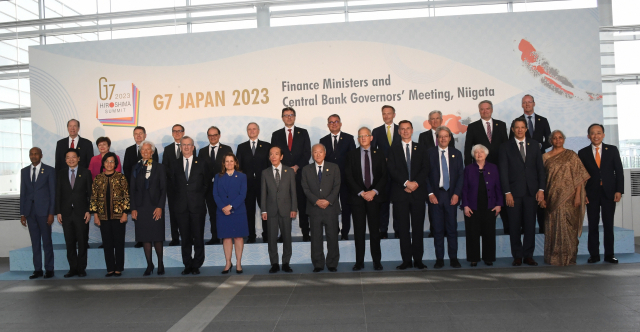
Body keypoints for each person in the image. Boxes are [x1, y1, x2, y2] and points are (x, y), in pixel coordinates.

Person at [499, 119, 546, 267]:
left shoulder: (534, 145)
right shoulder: (505, 147)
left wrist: (541, 189)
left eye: (522, 127)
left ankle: (528, 256)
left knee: (530, 225)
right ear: (512, 129)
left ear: (526, 129)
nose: (520, 130)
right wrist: (507, 192)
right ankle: (517, 256)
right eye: (517, 128)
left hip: (532, 193)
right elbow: (503, 172)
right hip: (513, 193)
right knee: (514, 225)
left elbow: (540, 169)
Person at [541, 130, 590, 266]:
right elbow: (542, 179)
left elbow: (580, 177)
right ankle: (554, 257)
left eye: (560, 137)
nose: (557, 140)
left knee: (569, 227)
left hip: (570, 198)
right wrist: (543, 197)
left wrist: (578, 196)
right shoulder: (545, 157)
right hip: (552, 198)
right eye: (555, 138)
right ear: (551, 140)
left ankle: (569, 257)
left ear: (564, 139)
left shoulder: (571, 155)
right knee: (553, 227)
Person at [578, 124, 624, 264]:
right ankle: (594, 255)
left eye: (599, 133)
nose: (596, 135)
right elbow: (581, 176)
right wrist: (583, 194)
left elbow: (619, 172)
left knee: (608, 225)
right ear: (588, 136)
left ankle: (609, 255)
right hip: (591, 194)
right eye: (593, 133)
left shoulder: (612, 150)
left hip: (609, 193)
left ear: (603, 135)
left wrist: (619, 190)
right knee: (593, 225)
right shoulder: (583, 152)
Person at [463, 100, 510, 235]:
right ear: (479, 111)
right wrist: (469, 170)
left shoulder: (501, 125)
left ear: (492, 109)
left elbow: (505, 148)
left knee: (500, 196)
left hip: (499, 170)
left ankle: (507, 229)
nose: (485, 111)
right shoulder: (473, 126)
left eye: (487, 109)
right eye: (482, 109)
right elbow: (467, 149)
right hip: (479, 170)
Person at [387, 120, 429, 270]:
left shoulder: (421, 147)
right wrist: (406, 183)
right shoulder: (393, 149)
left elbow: (425, 168)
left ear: (412, 130)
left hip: (418, 194)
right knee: (403, 229)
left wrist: (415, 183)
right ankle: (406, 260)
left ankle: (418, 259)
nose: (405, 131)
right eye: (402, 129)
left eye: (408, 129)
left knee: (418, 228)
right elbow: (391, 169)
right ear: (398, 132)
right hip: (401, 194)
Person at [345, 127, 387, 271]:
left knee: (375, 232)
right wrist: (361, 192)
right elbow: (348, 176)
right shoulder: (351, 155)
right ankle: (359, 262)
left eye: (366, 135)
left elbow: (384, 176)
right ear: (358, 139)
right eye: (360, 136)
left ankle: (377, 261)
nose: (363, 138)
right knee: (359, 232)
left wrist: (374, 192)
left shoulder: (379, 154)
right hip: (358, 199)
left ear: (371, 137)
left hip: (374, 199)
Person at [170, 136, 212, 275]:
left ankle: (197, 264)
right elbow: (172, 185)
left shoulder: (201, 162)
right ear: (180, 147)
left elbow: (206, 183)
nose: (186, 147)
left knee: (198, 236)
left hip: (197, 206)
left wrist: (198, 195)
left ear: (193, 147)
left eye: (189, 145)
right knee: (185, 237)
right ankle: (187, 264)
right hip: (181, 207)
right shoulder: (174, 164)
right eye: (184, 145)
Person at [510, 95, 551, 234]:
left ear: (534, 103)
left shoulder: (543, 120)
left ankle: (542, 229)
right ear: (522, 105)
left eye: (529, 102)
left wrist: (538, 145)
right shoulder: (517, 122)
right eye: (524, 103)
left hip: (537, 160)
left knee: (538, 200)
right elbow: (512, 145)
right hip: (520, 169)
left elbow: (549, 139)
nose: (527, 104)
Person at [270, 107, 311, 241]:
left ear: (294, 117)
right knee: (284, 205)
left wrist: (297, 166)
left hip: (300, 174)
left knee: (302, 204)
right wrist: (287, 169)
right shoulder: (276, 134)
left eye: (291, 115)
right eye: (286, 115)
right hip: (283, 176)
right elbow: (274, 154)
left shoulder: (303, 133)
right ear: (282, 118)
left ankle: (306, 232)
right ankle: (284, 234)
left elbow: (307, 153)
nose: (289, 117)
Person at [426, 126, 464, 269]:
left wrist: (456, 194)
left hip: (451, 196)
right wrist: (430, 193)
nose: (443, 139)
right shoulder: (429, 153)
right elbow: (425, 176)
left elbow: (461, 175)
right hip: (435, 196)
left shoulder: (457, 153)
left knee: (452, 228)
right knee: (438, 229)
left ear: (450, 137)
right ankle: (439, 259)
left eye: (446, 136)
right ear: (437, 138)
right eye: (440, 136)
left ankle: (453, 258)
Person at [301, 144, 342, 272]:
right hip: (314, 208)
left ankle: (332, 263)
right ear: (312, 154)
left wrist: (328, 200)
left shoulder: (334, 167)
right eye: (315, 152)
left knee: (332, 237)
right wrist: (316, 201)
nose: (318, 155)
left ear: (325, 153)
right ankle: (318, 263)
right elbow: (305, 188)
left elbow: (337, 186)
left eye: (320, 152)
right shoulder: (306, 169)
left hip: (330, 208)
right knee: (316, 237)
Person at [130, 141, 167, 276]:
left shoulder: (160, 167)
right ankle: (149, 264)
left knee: (157, 237)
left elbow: (163, 189)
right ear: (140, 152)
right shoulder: (136, 167)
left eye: (148, 150)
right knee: (145, 237)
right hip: (141, 207)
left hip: (155, 206)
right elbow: (132, 190)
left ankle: (160, 263)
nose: (146, 152)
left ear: (152, 152)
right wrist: (133, 208)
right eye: (143, 150)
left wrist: (160, 207)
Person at [462, 144, 502, 267]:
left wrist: (499, 204)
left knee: (489, 233)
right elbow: (464, 189)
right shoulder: (468, 169)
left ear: (486, 154)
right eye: (476, 152)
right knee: (472, 233)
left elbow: (498, 187)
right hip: (472, 206)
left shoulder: (493, 168)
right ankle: (473, 258)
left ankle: (488, 257)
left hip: (490, 206)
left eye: (481, 152)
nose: (479, 154)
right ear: (473, 155)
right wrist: (465, 205)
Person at [90, 152, 130, 277]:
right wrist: (95, 215)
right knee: (107, 243)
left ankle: (118, 268)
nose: (109, 164)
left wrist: (125, 213)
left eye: (112, 161)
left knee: (118, 242)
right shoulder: (98, 178)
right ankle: (110, 268)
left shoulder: (121, 177)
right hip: (103, 216)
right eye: (107, 161)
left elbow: (126, 196)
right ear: (103, 163)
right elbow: (93, 197)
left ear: (115, 164)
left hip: (118, 217)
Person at [55, 148, 92, 278]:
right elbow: (58, 194)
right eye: (68, 157)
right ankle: (72, 268)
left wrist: (89, 210)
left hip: (82, 213)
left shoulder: (86, 173)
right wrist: (58, 212)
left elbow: (90, 194)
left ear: (78, 158)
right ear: (65, 160)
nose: (71, 159)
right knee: (69, 243)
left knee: (82, 241)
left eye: (74, 157)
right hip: (66, 214)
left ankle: (81, 268)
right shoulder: (60, 174)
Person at [20, 147, 56, 279]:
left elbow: (53, 193)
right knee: (35, 242)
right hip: (30, 212)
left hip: (44, 212)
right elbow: (23, 193)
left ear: (41, 155)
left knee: (47, 241)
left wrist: (51, 212)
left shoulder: (49, 170)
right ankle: (38, 269)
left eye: (36, 154)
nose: (33, 156)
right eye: (31, 154)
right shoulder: (24, 171)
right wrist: (22, 213)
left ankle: (49, 269)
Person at [418, 110, 455, 239]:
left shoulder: (448, 134)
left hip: (446, 180)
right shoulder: (423, 136)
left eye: (437, 118)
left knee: (448, 213)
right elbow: (421, 158)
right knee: (433, 211)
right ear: (429, 122)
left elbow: (451, 156)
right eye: (432, 119)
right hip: (432, 180)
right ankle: (434, 230)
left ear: (441, 119)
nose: (434, 121)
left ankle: (445, 230)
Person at [319, 114, 356, 240]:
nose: (333, 124)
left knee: (346, 206)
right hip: (329, 180)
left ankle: (345, 232)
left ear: (340, 124)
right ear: (328, 125)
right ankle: (334, 230)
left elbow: (353, 160)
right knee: (331, 207)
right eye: (331, 122)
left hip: (346, 180)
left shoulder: (349, 138)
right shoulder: (323, 140)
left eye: (336, 122)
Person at [261, 146, 297, 273]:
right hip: (270, 211)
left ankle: (286, 262)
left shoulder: (289, 171)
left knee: (287, 237)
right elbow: (263, 193)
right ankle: (274, 263)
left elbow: (293, 192)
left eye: (276, 154)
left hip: (286, 210)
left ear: (281, 156)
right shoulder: (265, 173)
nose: (273, 156)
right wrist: (263, 210)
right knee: (271, 238)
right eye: (271, 154)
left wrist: (294, 208)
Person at [122, 126, 159, 248]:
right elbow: (127, 169)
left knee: (152, 220)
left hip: (151, 191)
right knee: (139, 219)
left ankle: (152, 239)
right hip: (137, 190)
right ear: (133, 136)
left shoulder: (153, 149)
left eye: (140, 133)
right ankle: (140, 240)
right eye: (136, 134)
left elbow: (155, 168)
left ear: (145, 135)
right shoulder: (129, 150)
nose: (138, 136)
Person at [213, 153, 249, 274]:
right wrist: (223, 207)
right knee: (227, 238)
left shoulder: (242, 176)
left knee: (238, 237)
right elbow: (215, 194)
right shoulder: (218, 176)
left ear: (235, 163)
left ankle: (238, 262)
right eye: (226, 161)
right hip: (222, 212)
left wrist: (231, 206)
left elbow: (242, 194)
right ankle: (228, 262)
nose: (229, 163)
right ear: (223, 163)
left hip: (238, 211)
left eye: (231, 161)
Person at [237, 122, 272, 243]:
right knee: (249, 211)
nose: (252, 131)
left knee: (265, 210)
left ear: (258, 130)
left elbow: (270, 166)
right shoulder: (241, 147)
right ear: (247, 131)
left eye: (254, 129)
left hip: (263, 184)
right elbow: (238, 168)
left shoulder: (267, 146)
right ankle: (251, 235)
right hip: (247, 185)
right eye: (249, 129)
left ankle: (267, 235)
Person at [198, 126, 233, 245]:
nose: (212, 137)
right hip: (208, 189)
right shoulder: (202, 151)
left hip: (224, 187)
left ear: (219, 135)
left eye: (215, 135)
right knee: (212, 214)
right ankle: (215, 237)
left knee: (226, 212)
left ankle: (227, 236)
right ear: (208, 136)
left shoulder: (227, 149)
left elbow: (230, 167)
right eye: (210, 135)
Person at [372, 105, 401, 239]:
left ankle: (398, 229)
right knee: (383, 204)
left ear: (394, 115)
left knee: (397, 203)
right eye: (384, 114)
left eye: (389, 114)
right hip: (382, 174)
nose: (386, 116)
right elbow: (372, 152)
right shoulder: (376, 131)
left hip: (398, 174)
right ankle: (383, 230)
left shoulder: (402, 130)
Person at [162, 124, 185, 246]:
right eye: (174, 131)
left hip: (186, 187)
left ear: (183, 132)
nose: (177, 133)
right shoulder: (168, 149)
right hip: (171, 186)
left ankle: (187, 236)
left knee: (186, 212)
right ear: (172, 133)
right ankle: (175, 237)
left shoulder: (189, 146)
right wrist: (174, 176)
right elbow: (164, 167)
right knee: (173, 212)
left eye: (179, 131)